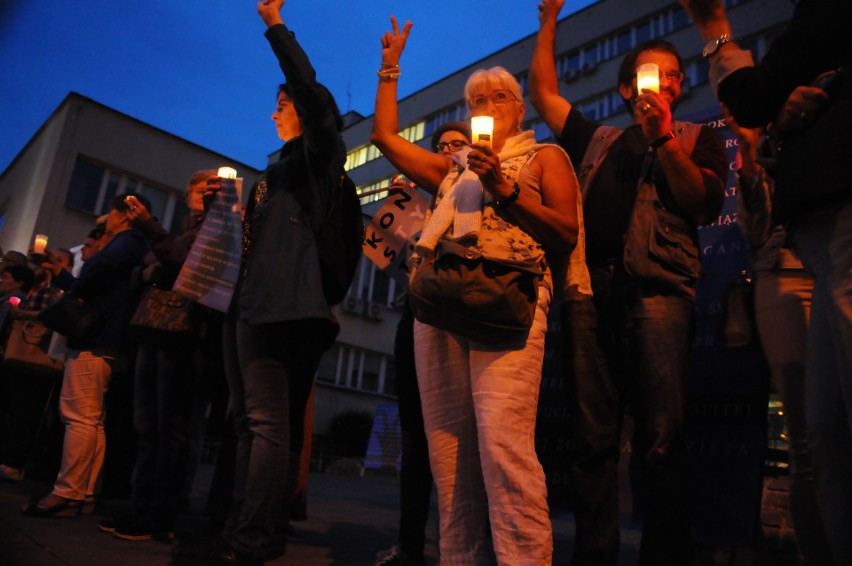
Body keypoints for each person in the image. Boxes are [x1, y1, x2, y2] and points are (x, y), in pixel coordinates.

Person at [371, 16, 589, 565]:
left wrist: (505, 188)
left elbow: (566, 231)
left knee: (502, 449)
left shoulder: (547, 157)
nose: (488, 105)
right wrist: (390, 68)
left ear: (519, 109)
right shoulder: (454, 168)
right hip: (439, 306)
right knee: (448, 459)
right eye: (477, 100)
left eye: (499, 96)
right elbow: (384, 139)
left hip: (507, 305)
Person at [530, 1, 727, 564]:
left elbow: (702, 202)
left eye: (672, 74)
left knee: (662, 441)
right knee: (592, 444)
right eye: (650, 73)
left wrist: (664, 139)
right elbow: (544, 95)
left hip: (660, 294)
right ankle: (594, 556)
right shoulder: (597, 140)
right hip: (591, 295)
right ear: (625, 90)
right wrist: (548, 21)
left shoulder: (696, 138)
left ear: (680, 86)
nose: (664, 81)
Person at [677, 2, 852, 562]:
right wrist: (769, 136)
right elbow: (756, 226)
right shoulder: (777, 128)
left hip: (835, 234)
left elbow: (755, 92)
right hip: (797, 251)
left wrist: (714, 29)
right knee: (820, 436)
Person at [173, 2, 345, 564]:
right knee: (248, 424)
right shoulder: (273, 175)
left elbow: (310, 90)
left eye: (280, 105)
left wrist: (274, 24)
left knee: (267, 423)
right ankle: (245, 528)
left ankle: (250, 541)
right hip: (244, 306)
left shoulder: (320, 161)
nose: (273, 114)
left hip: (283, 307)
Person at [725, 106, 831, 565]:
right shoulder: (766, 147)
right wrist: (750, 153)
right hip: (786, 274)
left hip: (835, 260)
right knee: (810, 436)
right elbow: (754, 231)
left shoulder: (831, 118)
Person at [93, 170, 218, 542]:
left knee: (170, 427)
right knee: (147, 423)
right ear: (187, 194)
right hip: (156, 328)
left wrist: (153, 243)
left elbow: (181, 262)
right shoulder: (182, 231)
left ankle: (161, 510)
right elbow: (148, 268)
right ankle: (141, 503)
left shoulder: (218, 231)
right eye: (199, 189)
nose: (204, 195)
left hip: (184, 333)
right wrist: (153, 267)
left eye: (212, 189)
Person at [375, 121, 471, 566]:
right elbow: (382, 258)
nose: (448, 151)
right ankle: (410, 545)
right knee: (416, 439)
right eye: (441, 146)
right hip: (415, 315)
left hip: (463, 321)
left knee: (465, 439)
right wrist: (396, 212)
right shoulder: (416, 199)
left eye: (457, 144)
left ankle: (469, 546)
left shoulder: (479, 191)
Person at [20, 193, 151, 518]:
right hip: (108, 337)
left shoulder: (130, 240)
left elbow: (98, 269)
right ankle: (83, 492)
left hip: (99, 336)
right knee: (91, 419)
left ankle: (67, 492)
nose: (105, 218)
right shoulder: (130, 245)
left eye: (110, 212)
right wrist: (62, 273)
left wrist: (102, 243)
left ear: (123, 214)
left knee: (79, 416)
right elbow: (94, 279)